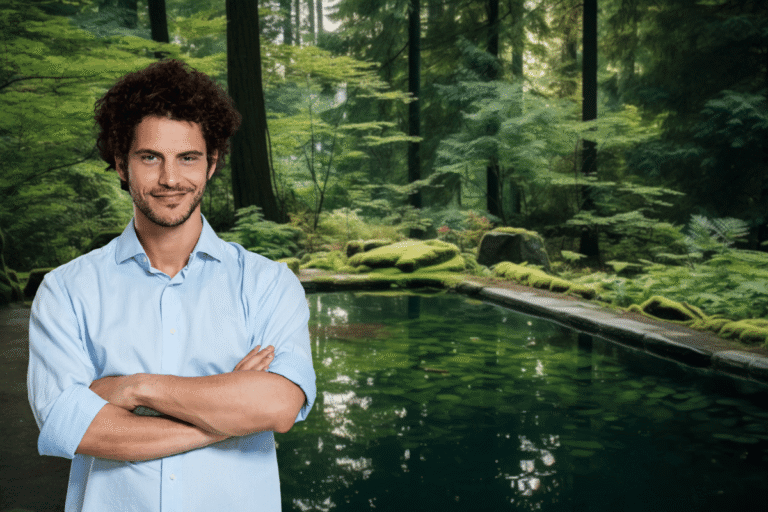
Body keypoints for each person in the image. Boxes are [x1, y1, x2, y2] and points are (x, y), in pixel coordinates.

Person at [27, 59, 316, 512]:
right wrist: (228, 416)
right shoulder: (66, 290)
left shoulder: (269, 283)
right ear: (121, 165)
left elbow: (278, 406)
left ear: (212, 163)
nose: (170, 178)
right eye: (150, 157)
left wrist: (136, 388)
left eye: (188, 157)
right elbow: (76, 428)